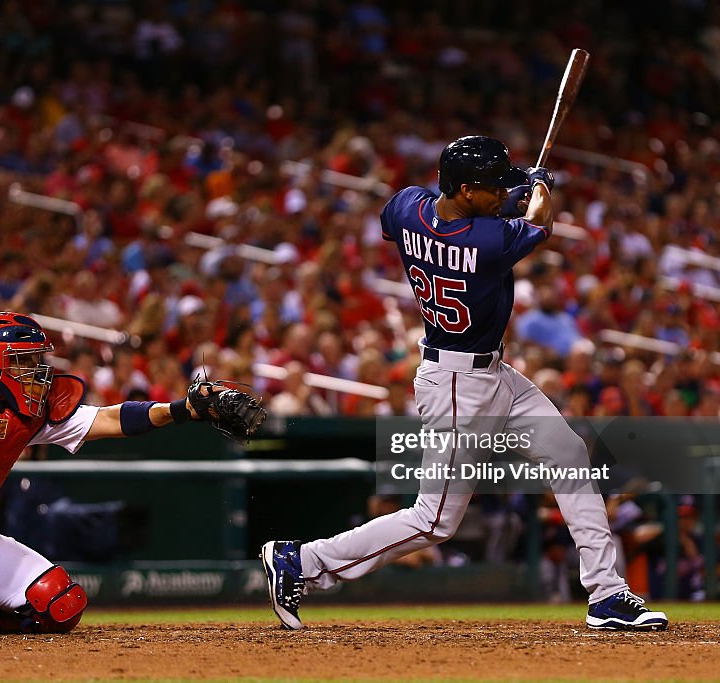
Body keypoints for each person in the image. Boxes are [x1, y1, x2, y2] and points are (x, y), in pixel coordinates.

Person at [261, 136, 668, 632]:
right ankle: (301, 561)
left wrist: (507, 195)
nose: (500, 193)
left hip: (490, 371)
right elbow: (540, 222)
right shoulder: (487, 242)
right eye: (491, 187)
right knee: (434, 520)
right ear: (465, 189)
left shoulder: (408, 206)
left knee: (568, 453)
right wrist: (538, 186)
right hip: (458, 384)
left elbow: (423, 220)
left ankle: (606, 593)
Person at [0, 311, 261, 636]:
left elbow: (108, 420)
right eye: (24, 360)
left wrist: (182, 410)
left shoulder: (28, 409)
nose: (38, 369)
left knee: (59, 603)